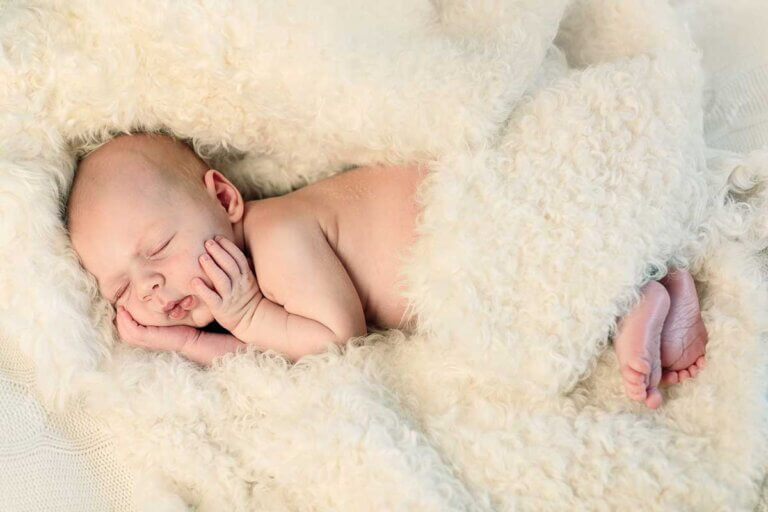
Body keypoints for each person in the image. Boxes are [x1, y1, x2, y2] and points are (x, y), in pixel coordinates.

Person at [65, 132, 707, 409]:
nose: (148, 285)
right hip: (495, 228)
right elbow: (265, 353)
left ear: (226, 199)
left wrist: (244, 315)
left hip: (482, 222)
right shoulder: (247, 285)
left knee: (522, 315)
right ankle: (656, 288)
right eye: (121, 286)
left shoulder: (278, 234)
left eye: (157, 246)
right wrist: (182, 339)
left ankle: (635, 298)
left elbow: (333, 339)